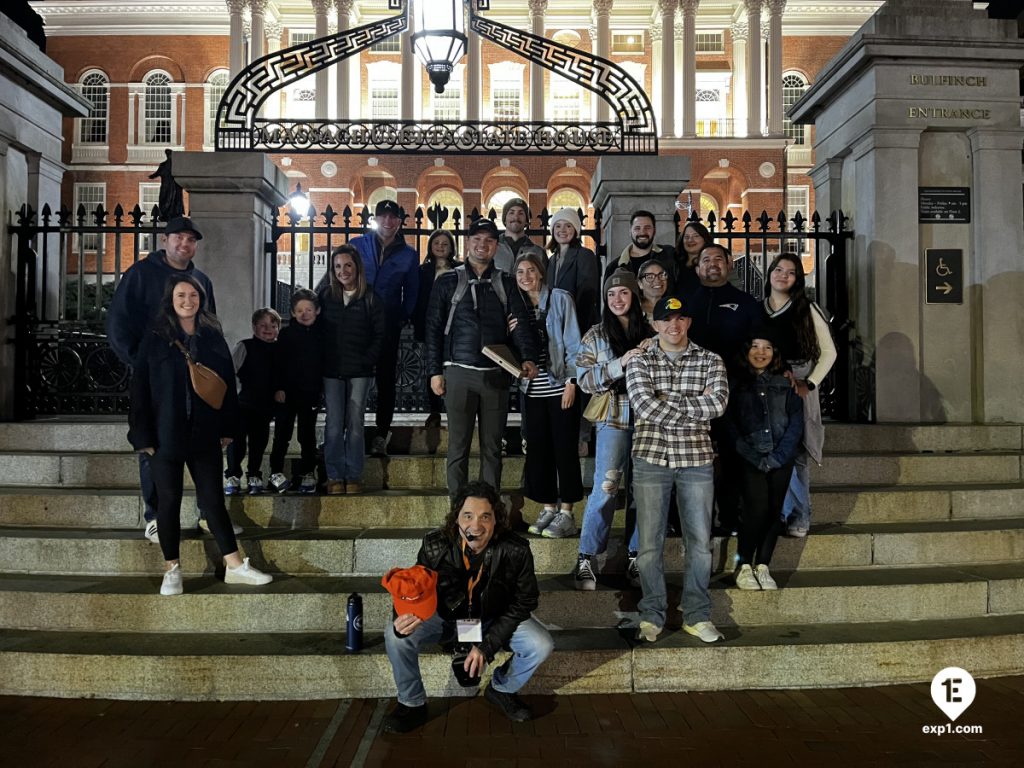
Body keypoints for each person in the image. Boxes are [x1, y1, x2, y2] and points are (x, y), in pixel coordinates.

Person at [127, 275, 273, 595]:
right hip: (165, 434)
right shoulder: (154, 337)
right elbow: (140, 388)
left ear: (201, 299)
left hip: (204, 432)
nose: (188, 300)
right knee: (168, 502)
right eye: (181, 294)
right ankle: (172, 570)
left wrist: (228, 428)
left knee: (213, 500)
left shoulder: (211, 335)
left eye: (193, 295)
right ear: (171, 298)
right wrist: (142, 436)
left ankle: (234, 565)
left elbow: (226, 387)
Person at [382, 481, 553, 732]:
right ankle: (412, 702)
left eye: (485, 516)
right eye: (468, 516)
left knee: (541, 644)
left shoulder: (516, 549)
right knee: (394, 635)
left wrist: (487, 646)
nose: (476, 525)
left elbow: (524, 602)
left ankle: (502, 688)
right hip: (445, 618)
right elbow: (414, 590)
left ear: (496, 520)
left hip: (494, 617)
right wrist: (400, 618)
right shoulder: (434, 545)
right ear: (456, 520)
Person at [107, 215, 216, 544]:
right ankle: (154, 516)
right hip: (152, 374)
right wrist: (137, 361)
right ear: (164, 241)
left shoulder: (200, 279)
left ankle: (209, 512)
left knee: (200, 440)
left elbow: (209, 321)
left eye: (190, 240)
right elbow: (118, 320)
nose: (184, 244)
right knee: (151, 443)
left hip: (190, 373)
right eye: (178, 238)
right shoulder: (140, 274)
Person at [627, 296, 728, 644]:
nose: (674, 325)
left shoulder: (711, 359)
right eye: (666, 320)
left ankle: (697, 614)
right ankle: (651, 614)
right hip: (650, 458)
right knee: (650, 545)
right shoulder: (640, 360)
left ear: (688, 322)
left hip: (697, 460)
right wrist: (690, 408)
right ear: (654, 325)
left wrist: (666, 401)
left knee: (700, 543)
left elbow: (717, 405)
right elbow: (643, 405)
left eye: (681, 318)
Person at [424, 217, 540, 497]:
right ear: (467, 243)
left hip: (495, 374)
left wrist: (528, 357)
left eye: (488, 240)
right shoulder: (448, 281)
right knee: (458, 447)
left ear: (495, 246)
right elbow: (433, 327)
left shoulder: (506, 283)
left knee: (491, 448)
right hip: (458, 371)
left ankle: (489, 509)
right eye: (477, 239)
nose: (482, 245)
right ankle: (458, 511)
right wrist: (434, 371)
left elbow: (520, 321)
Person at [573, 269, 653, 591]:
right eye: (611, 295)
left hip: (649, 419)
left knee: (643, 490)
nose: (617, 300)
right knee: (606, 488)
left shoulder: (650, 329)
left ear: (634, 295)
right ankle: (586, 556)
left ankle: (636, 555)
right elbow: (584, 379)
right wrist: (621, 363)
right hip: (614, 417)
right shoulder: (595, 334)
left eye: (623, 293)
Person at [761, 254, 837, 538]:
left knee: (796, 454)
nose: (783, 275)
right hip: (767, 384)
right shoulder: (759, 309)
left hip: (797, 383)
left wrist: (811, 383)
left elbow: (829, 351)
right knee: (770, 450)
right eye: (778, 269)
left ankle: (799, 515)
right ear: (769, 273)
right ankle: (777, 513)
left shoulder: (807, 309)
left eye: (790, 272)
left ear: (797, 279)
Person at [724, 330, 803, 590]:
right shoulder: (735, 383)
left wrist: (779, 456)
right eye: (755, 347)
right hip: (750, 457)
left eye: (767, 347)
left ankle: (764, 564)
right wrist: (753, 456)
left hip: (781, 456)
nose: (761, 353)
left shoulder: (785, 383)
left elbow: (795, 422)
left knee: (774, 509)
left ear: (775, 353)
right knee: (755, 508)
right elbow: (730, 424)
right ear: (746, 351)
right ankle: (743, 564)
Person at [513, 252, 584, 540]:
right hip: (531, 389)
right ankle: (548, 507)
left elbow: (573, 341)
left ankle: (567, 511)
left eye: (531, 270)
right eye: (520, 272)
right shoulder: (515, 305)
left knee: (564, 449)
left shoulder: (560, 298)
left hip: (558, 386)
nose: (526, 277)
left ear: (541, 273)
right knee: (538, 450)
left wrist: (572, 381)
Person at [347, 199, 419, 456]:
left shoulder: (408, 254)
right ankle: (351, 430)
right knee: (353, 375)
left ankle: (380, 433)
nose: (388, 222)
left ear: (400, 221)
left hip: (388, 323)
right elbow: (343, 276)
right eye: (383, 216)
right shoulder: (357, 245)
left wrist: (403, 315)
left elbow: (412, 290)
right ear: (376, 219)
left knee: (386, 378)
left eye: (393, 217)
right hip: (357, 320)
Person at [319, 245, 385, 495]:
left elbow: (380, 335)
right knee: (334, 423)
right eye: (337, 266)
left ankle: (354, 474)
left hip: (360, 370)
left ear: (357, 266)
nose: (343, 271)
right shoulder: (326, 296)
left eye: (347, 265)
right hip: (332, 369)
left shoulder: (370, 297)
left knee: (355, 422)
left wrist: (368, 360)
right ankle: (335, 475)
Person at [547, 207, 601, 456]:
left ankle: (582, 436)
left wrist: (575, 327)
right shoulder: (551, 260)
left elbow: (588, 293)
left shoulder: (585, 255)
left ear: (576, 230)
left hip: (579, 327)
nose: (562, 230)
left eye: (567, 226)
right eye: (558, 226)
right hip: (555, 330)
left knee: (580, 383)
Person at [268, 289, 323, 494]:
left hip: (309, 392)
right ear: (292, 313)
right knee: (282, 433)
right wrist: (279, 387)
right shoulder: (287, 334)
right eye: (299, 310)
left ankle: (308, 472)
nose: (304, 314)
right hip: (287, 393)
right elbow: (279, 363)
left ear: (317, 311)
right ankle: (275, 472)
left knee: (307, 435)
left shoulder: (320, 335)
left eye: (308, 309)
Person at [224, 308, 281, 496]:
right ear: (254, 326)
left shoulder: (279, 350)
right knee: (237, 441)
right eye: (263, 325)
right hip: (243, 403)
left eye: (273, 326)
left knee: (259, 442)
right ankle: (233, 474)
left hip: (264, 407)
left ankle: (254, 474)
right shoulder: (245, 346)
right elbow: (230, 371)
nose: (268, 329)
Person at [412, 229, 460, 428]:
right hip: (429, 326)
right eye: (437, 243)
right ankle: (434, 410)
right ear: (431, 246)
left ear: (451, 247)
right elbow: (417, 298)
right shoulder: (423, 271)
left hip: (454, 327)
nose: (440, 246)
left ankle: (453, 409)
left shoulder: (460, 269)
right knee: (432, 369)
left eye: (445, 243)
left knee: (453, 369)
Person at [602, 210, 675, 283]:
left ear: (654, 231)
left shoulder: (669, 254)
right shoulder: (614, 267)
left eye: (647, 228)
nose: (642, 232)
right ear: (630, 232)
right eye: (637, 228)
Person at [494, 197, 546, 273]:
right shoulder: (492, 249)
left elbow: (544, 282)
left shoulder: (538, 253)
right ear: (504, 219)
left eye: (521, 213)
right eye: (511, 213)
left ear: (526, 221)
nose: (516, 217)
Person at [673, 220, 712, 294]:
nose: (690, 240)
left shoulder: (711, 264)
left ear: (705, 239)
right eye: (686, 237)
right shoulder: (675, 261)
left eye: (696, 236)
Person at [637, 258, 670, 324]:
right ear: (640, 283)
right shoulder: (634, 308)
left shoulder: (674, 305)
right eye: (650, 277)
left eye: (661, 275)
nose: (657, 280)